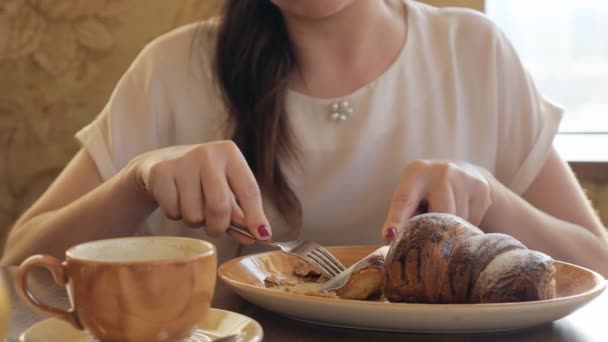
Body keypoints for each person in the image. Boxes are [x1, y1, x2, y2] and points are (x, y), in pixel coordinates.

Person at [3, 0, 608, 276]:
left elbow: (597, 265)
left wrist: (492, 196)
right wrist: (137, 183)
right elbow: (19, 260)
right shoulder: (172, 70)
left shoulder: (474, 51)